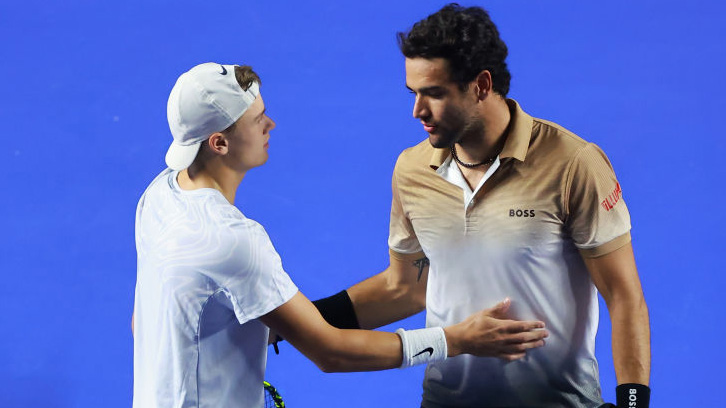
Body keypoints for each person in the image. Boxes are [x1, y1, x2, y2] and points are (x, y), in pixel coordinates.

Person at [131, 62, 550, 408]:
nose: (270, 124)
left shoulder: (161, 196)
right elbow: (329, 352)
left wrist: (257, 325)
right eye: (257, 119)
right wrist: (455, 340)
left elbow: (145, 320)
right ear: (219, 143)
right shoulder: (234, 239)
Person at [309, 4, 651, 408]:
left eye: (434, 93)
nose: (417, 110)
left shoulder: (573, 163)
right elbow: (406, 287)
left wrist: (633, 405)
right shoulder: (412, 170)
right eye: (413, 92)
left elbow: (622, 294)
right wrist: (292, 320)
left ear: (481, 85)